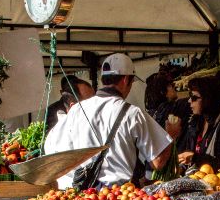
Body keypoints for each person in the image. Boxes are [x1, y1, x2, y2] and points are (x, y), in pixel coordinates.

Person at [46, 53, 179, 189]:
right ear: (126, 80)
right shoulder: (132, 113)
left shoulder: (76, 109)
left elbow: (50, 147)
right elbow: (157, 161)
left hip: (85, 196)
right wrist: (172, 135)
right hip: (119, 198)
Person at [178, 76, 220, 171]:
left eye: (194, 97)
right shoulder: (195, 123)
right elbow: (189, 155)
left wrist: (195, 158)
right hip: (198, 181)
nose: (189, 101)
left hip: (218, 183)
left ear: (208, 99)